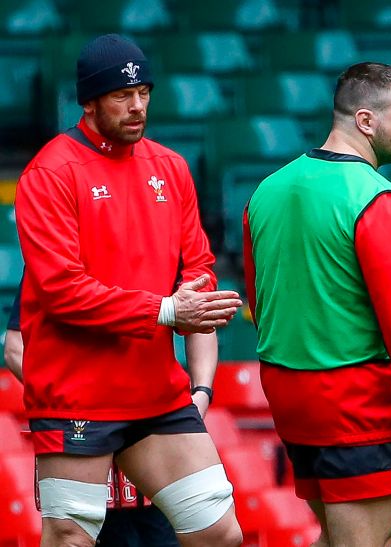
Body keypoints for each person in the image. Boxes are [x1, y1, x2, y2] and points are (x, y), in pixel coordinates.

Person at [15, 34, 244, 547]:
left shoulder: (170, 166)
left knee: (219, 533)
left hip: (156, 392)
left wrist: (197, 295)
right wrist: (167, 309)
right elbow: (61, 291)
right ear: (89, 101)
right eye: (122, 95)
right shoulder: (49, 174)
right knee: (70, 539)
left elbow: (199, 263)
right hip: (78, 394)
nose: (137, 105)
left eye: (144, 91)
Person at [242, 62, 391, 547]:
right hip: (354, 404)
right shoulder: (377, 199)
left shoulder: (266, 190)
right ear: (366, 122)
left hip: (290, 399)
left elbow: (260, 302)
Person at [5, 282, 183, 547]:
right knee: (82, 536)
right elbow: (14, 349)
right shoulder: (52, 262)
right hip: (83, 432)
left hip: (148, 428)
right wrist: (75, 403)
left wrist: (201, 392)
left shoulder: (153, 251)